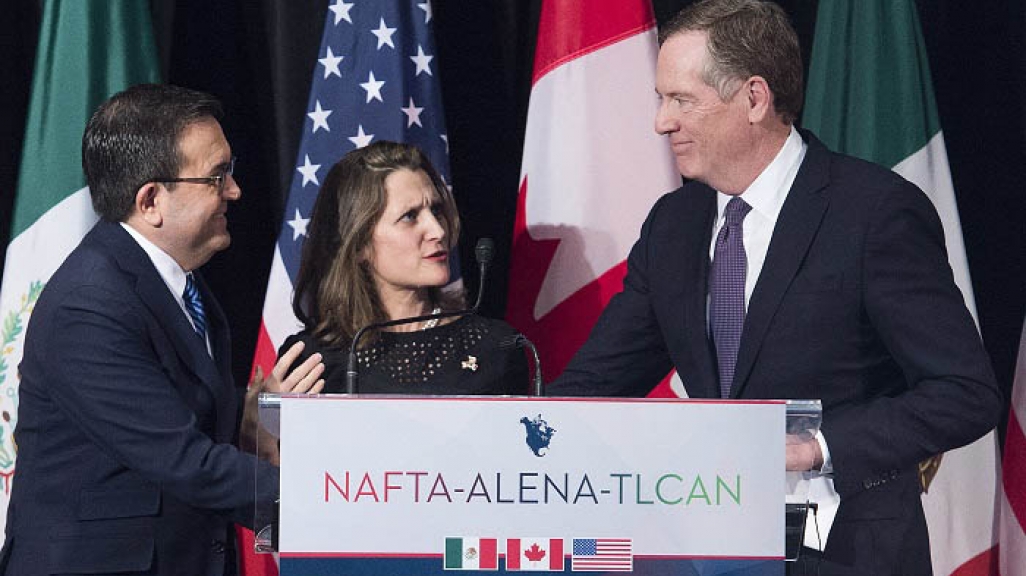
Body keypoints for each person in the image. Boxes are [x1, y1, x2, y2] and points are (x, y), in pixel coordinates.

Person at [547, 1, 1001, 574]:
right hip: (718, 548)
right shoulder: (675, 224)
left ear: (754, 98)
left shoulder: (872, 213)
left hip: (848, 552)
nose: (662, 121)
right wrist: (512, 437)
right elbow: (598, 381)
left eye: (681, 99)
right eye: (662, 99)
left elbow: (965, 392)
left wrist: (817, 447)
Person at [0, 84, 323, 576]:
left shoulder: (178, 283)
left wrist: (246, 414)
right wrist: (340, 501)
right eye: (217, 176)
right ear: (151, 200)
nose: (234, 191)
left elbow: (174, 404)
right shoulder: (89, 305)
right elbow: (183, 459)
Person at [280, 141, 528, 395]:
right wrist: (260, 431)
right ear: (358, 245)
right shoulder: (313, 362)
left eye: (436, 209)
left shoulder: (496, 347)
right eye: (410, 216)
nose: (438, 230)